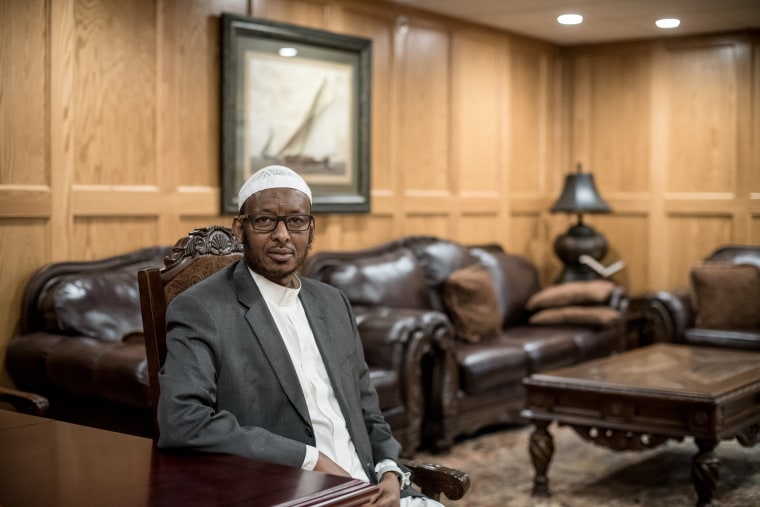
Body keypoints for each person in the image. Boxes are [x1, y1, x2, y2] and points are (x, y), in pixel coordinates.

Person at [157, 165, 443, 507]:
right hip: (300, 496)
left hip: (377, 492)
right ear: (239, 229)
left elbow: (367, 408)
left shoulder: (332, 301)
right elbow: (183, 422)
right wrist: (309, 460)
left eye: (296, 221)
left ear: (310, 229)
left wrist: (390, 470)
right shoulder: (201, 309)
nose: (282, 234)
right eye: (265, 220)